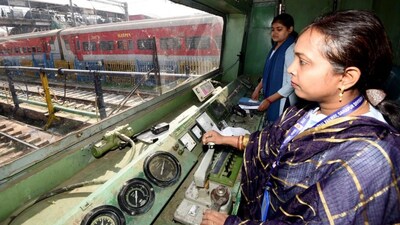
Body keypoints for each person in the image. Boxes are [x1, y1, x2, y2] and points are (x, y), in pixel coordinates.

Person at [201, 10, 400, 225]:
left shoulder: (370, 158)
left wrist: (231, 224)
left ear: (346, 77)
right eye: (294, 57)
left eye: (303, 62)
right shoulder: (306, 111)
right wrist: (226, 139)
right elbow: (270, 145)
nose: (291, 69)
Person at [251, 13, 298, 124]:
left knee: (278, 126)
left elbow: (291, 83)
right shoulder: (275, 48)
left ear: (290, 29)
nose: (274, 33)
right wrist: (258, 88)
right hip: (272, 96)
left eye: (279, 29)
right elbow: (269, 73)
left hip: (283, 100)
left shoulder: (291, 49)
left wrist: (269, 100)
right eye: (273, 29)